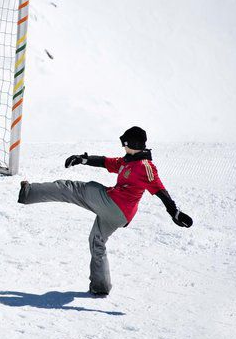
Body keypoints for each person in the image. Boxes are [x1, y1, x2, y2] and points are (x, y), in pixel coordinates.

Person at [17, 126, 193, 296]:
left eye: (125, 143)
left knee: (72, 189)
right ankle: (100, 286)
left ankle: (28, 192)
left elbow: (160, 190)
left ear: (135, 145)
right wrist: (83, 159)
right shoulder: (128, 161)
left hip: (114, 204)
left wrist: (174, 212)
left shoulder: (145, 167)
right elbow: (106, 162)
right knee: (97, 240)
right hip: (118, 214)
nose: (123, 147)